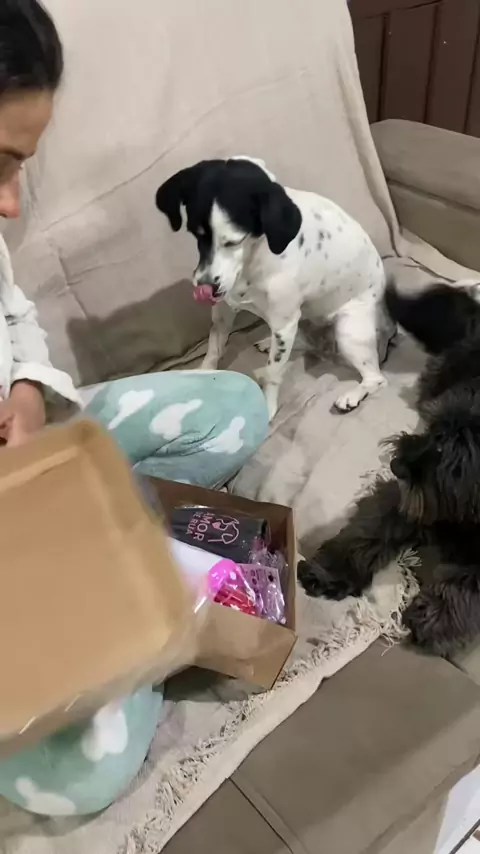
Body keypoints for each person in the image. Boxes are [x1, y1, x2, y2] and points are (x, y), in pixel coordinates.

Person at [0, 0, 268, 816]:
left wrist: (27, 393)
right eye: (0, 162)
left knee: (238, 406)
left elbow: (16, 320)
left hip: (41, 459)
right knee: (73, 782)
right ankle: (148, 623)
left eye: (19, 168)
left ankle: (131, 559)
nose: (11, 204)